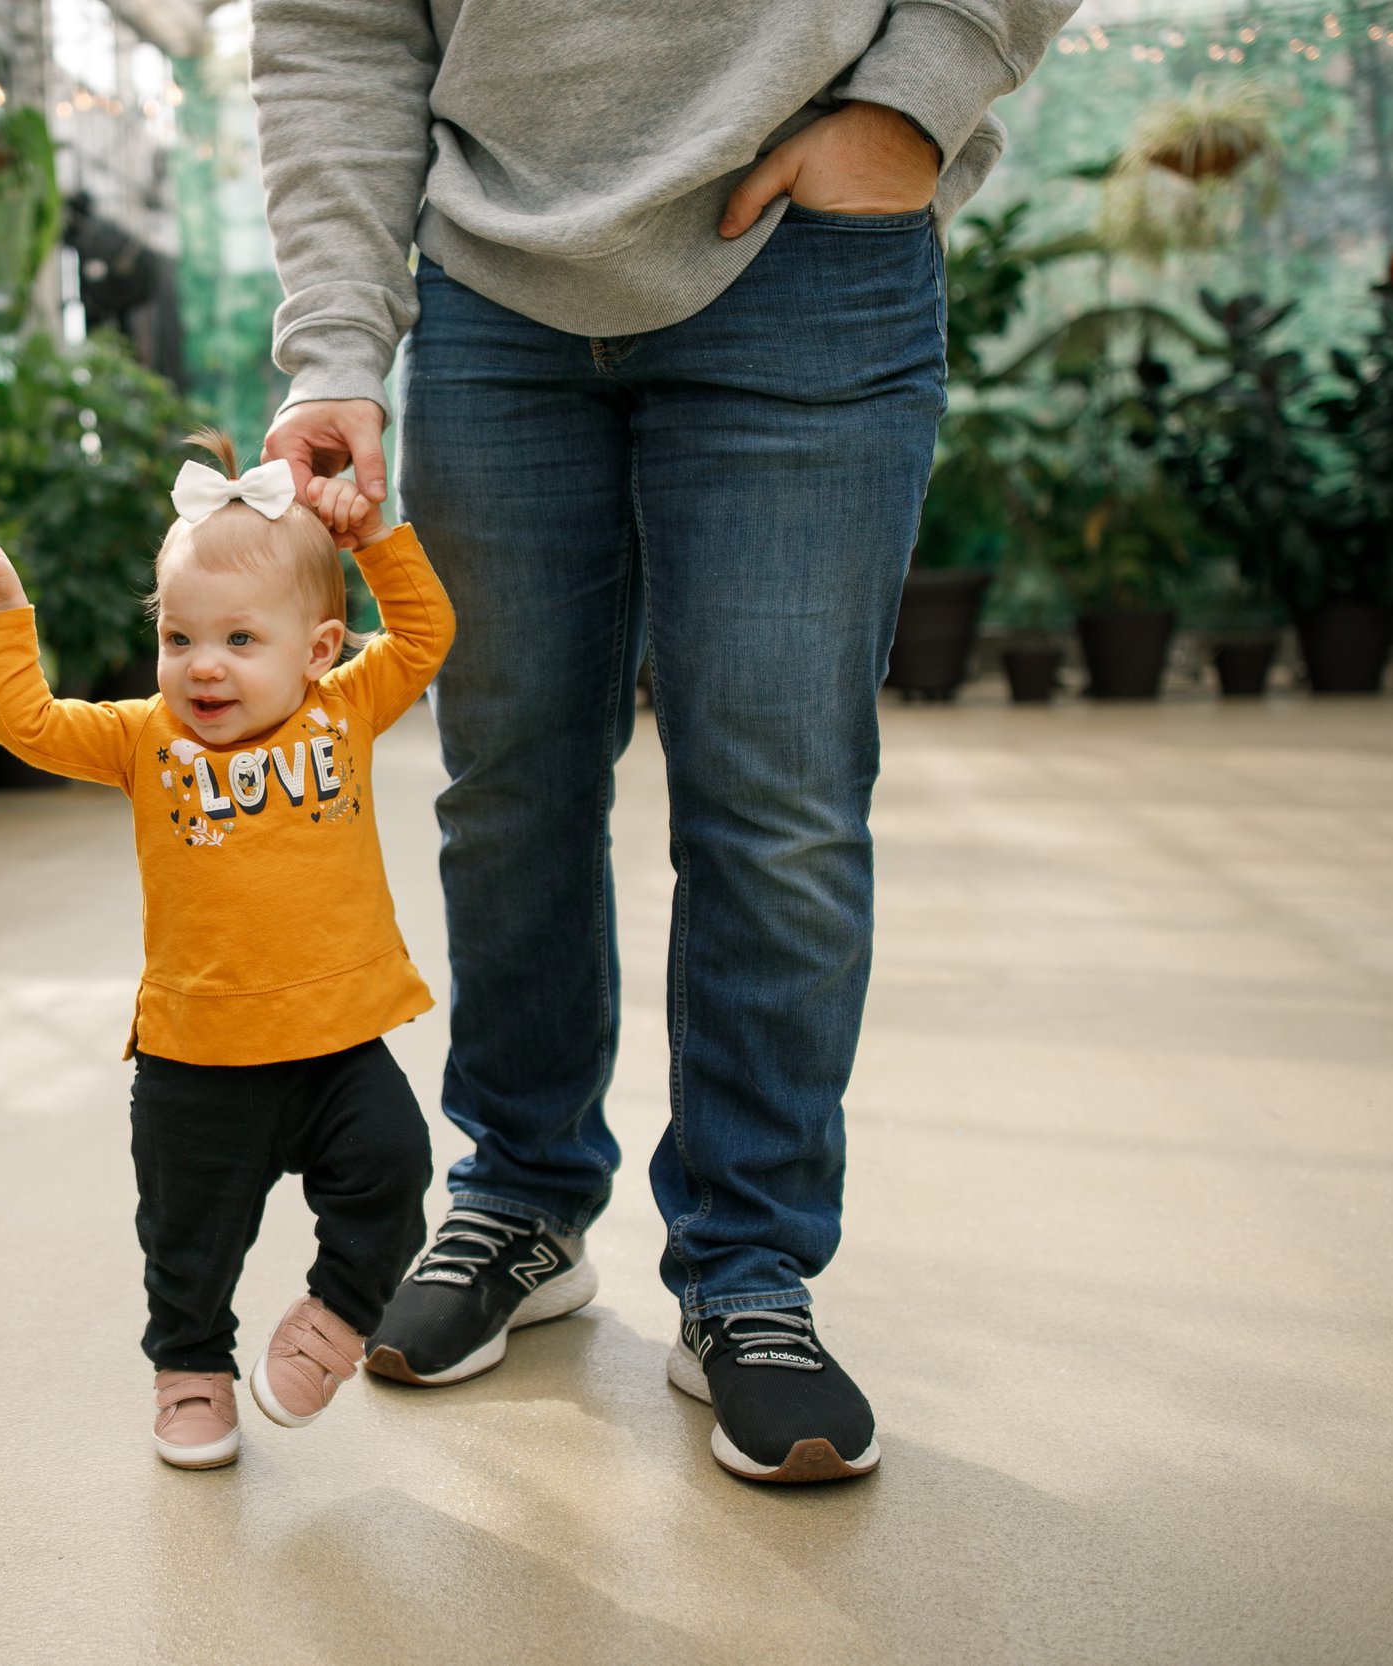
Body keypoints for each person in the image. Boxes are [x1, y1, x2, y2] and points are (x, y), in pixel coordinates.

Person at [249, 0, 1077, 1482]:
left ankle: (751, 1267)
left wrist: (914, 98)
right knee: (508, 783)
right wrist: (335, 348)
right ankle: (522, 1194)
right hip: (497, 282)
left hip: (807, 259)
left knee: (779, 801)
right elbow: (338, 28)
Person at [0, 432, 451, 1468]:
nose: (201, 665)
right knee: (187, 1241)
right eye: (178, 638)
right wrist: (1, 612)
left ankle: (336, 1318)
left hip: (337, 1042)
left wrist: (375, 537)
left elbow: (425, 635)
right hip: (195, 1059)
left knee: (393, 1170)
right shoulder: (142, 738)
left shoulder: (343, 712)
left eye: (241, 639)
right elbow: (28, 723)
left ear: (318, 648)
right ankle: (190, 1370)